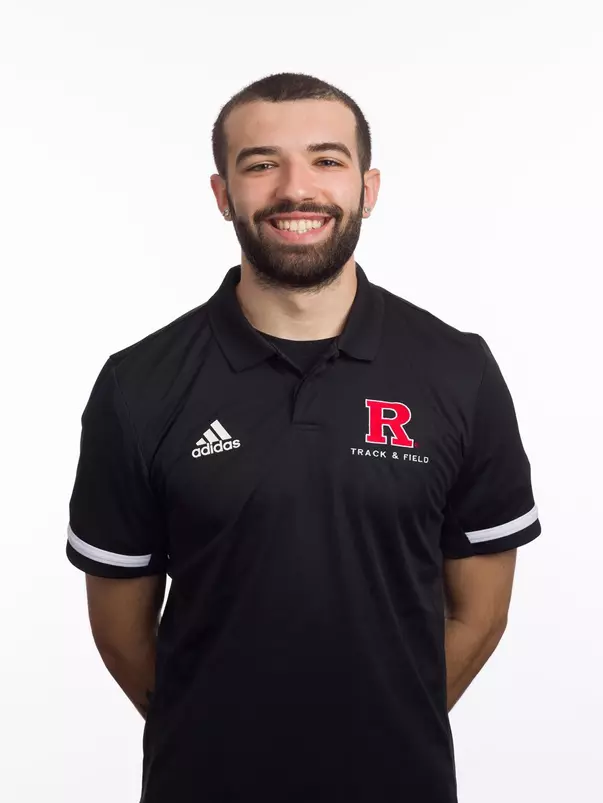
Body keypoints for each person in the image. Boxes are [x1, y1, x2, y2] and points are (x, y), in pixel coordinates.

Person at [65, 72, 541, 803]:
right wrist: (217, 736)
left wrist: (377, 731)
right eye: (260, 164)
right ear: (223, 193)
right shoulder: (138, 385)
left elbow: (481, 610)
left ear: (367, 187)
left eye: (326, 159)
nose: (296, 188)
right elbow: (121, 629)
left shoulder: (457, 370)